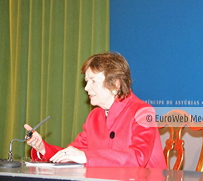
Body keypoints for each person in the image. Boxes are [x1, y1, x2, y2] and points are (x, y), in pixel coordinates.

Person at [24, 52, 167, 168]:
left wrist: (86, 157)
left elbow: (138, 157)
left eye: (93, 81)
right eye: (86, 81)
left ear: (115, 84)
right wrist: (42, 148)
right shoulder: (95, 116)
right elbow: (71, 153)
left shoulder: (143, 111)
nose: (86, 88)